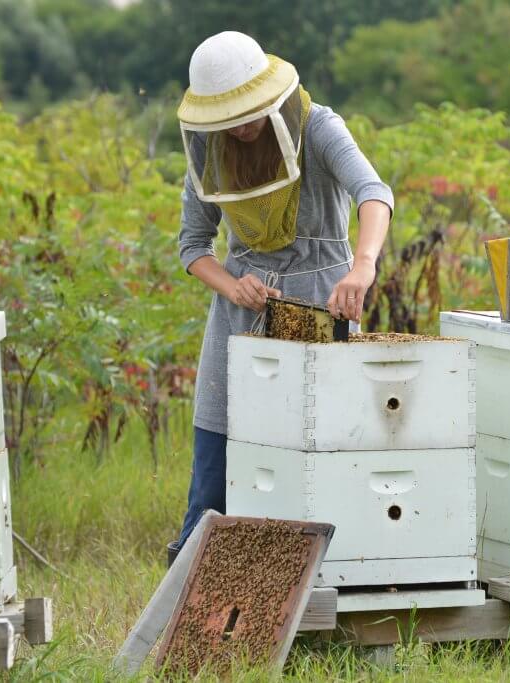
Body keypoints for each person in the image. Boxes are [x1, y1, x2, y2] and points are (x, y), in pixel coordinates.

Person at [168, 31, 393, 565]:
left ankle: (331, 583)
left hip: (324, 301)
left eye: (248, 113)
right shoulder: (207, 148)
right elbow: (192, 246)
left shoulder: (318, 127)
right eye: (230, 118)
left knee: (326, 456)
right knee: (216, 464)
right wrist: (232, 284)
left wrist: (362, 267)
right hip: (242, 314)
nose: (242, 127)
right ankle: (188, 598)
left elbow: (373, 193)